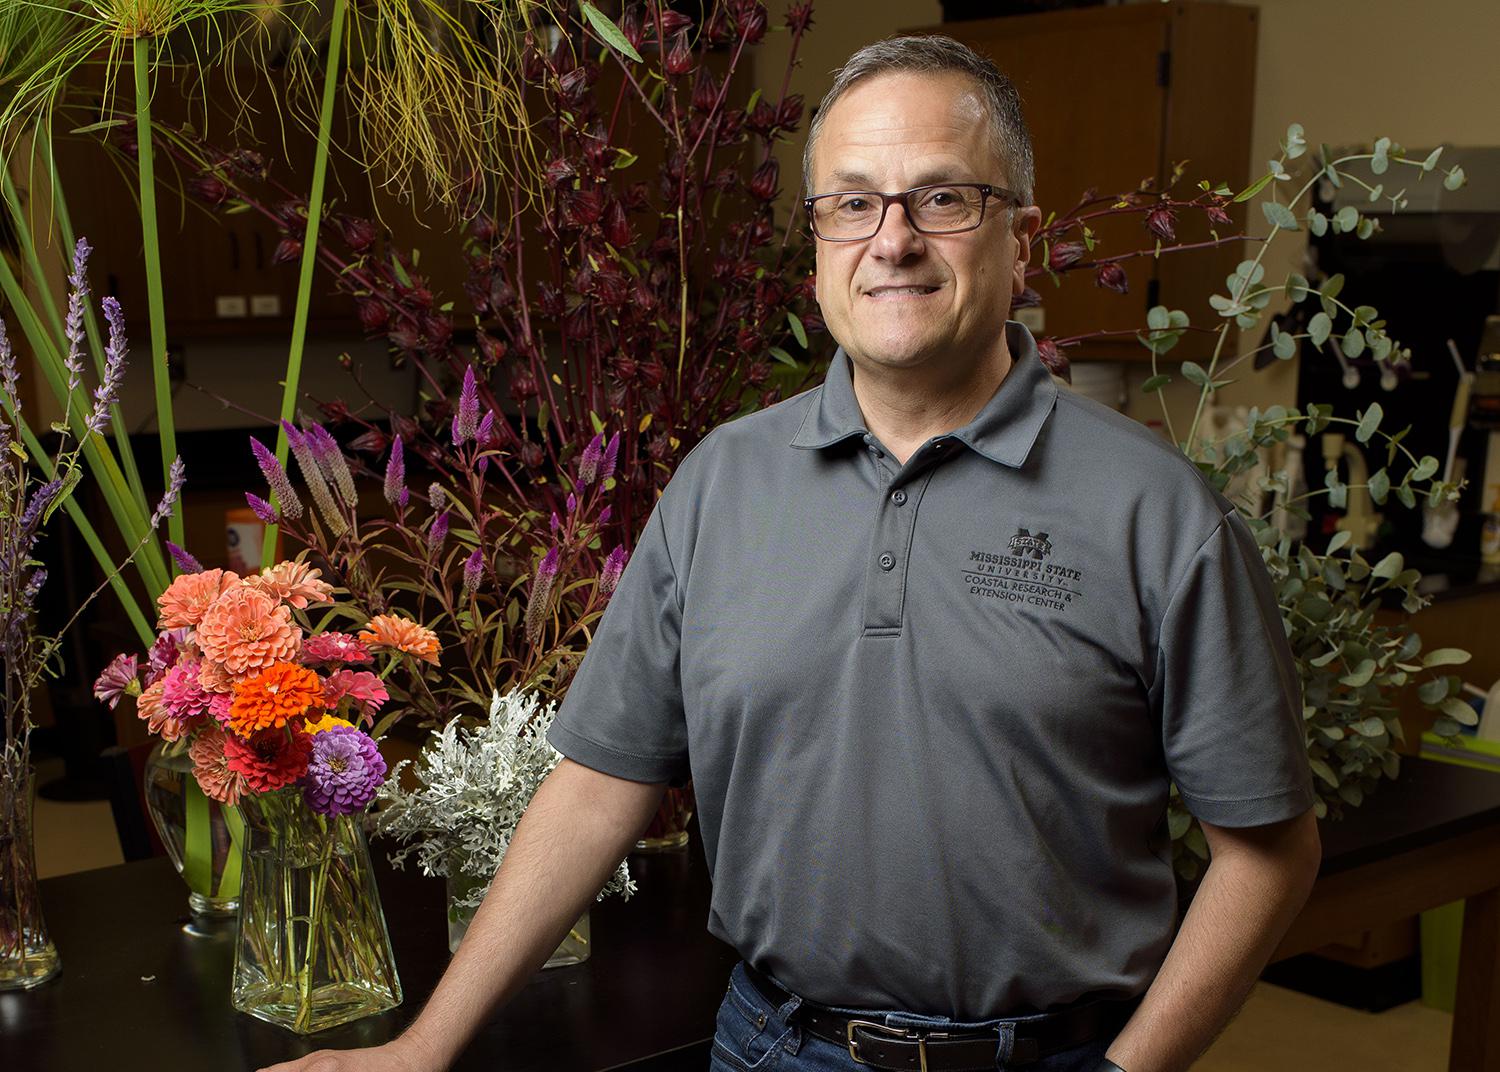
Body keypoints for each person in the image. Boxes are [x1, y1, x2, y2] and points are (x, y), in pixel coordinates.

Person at [262, 34, 1321, 1072]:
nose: (892, 240)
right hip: (773, 1048)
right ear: (818, 240)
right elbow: (597, 786)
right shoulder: (722, 486)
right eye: (852, 203)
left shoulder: (1157, 511)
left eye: (942, 199)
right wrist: (422, 1048)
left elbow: (1268, 852)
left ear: (1023, 238)